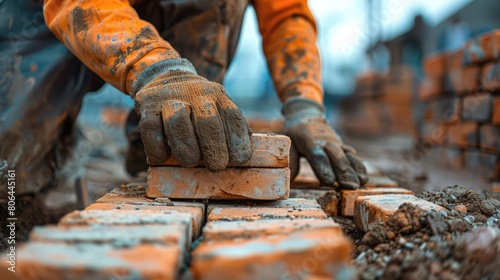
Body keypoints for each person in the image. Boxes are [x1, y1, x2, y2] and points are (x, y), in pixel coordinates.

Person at [0, 0, 367, 238]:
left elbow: (286, 14)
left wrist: (304, 106)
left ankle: (163, 146)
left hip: (184, 12)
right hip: (46, 13)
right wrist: (159, 71)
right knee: (7, 173)